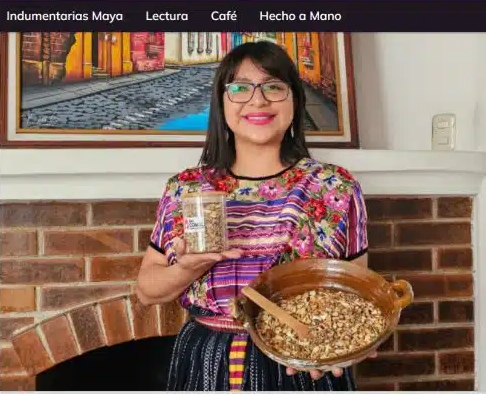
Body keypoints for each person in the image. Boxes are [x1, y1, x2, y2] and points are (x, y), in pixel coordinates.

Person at [136, 41, 372, 391]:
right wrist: (188, 267)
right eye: (240, 88)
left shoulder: (334, 187)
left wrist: (343, 344)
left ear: (295, 100)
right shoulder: (186, 189)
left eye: (274, 87)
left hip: (302, 360)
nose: (257, 100)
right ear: (221, 103)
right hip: (206, 360)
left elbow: (356, 292)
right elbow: (146, 291)